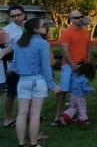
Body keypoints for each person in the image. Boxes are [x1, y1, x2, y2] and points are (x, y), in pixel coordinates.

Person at [13, 18, 60, 147]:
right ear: (36, 29)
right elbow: (46, 67)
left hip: (22, 81)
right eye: (43, 25)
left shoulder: (18, 43)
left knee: (21, 113)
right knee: (35, 114)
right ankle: (33, 144)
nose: (46, 27)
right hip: (38, 81)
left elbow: (14, 66)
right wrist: (52, 85)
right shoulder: (42, 44)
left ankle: (21, 144)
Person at [52, 10, 91, 126]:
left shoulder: (86, 32)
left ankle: (75, 115)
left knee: (78, 92)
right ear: (71, 19)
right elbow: (65, 50)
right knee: (63, 91)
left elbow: (88, 47)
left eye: (80, 17)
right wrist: (72, 64)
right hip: (68, 66)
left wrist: (88, 62)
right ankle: (57, 116)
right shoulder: (66, 32)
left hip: (82, 66)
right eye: (76, 17)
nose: (79, 19)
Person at [3, 5, 26, 128]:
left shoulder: (29, 27)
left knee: (28, 92)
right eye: (13, 16)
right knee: (12, 93)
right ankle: (7, 119)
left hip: (29, 66)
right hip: (14, 68)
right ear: (10, 17)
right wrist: (7, 69)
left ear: (24, 14)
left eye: (19, 15)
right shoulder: (6, 31)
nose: (17, 18)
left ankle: (28, 115)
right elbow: (4, 50)